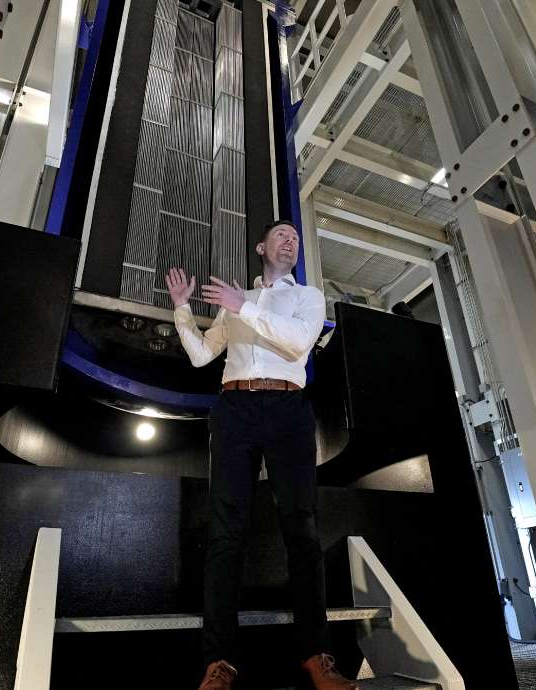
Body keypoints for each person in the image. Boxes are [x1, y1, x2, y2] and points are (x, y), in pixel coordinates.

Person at [166, 220, 357, 690]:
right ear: (261, 247)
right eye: (281, 235)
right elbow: (201, 356)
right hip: (235, 408)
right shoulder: (237, 299)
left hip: (288, 407)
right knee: (225, 534)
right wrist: (182, 309)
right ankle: (218, 664)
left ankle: (317, 657)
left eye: (295, 238)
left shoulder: (307, 297)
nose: (290, 241)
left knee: (302, 529)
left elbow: (298, 342)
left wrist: (243, 307)